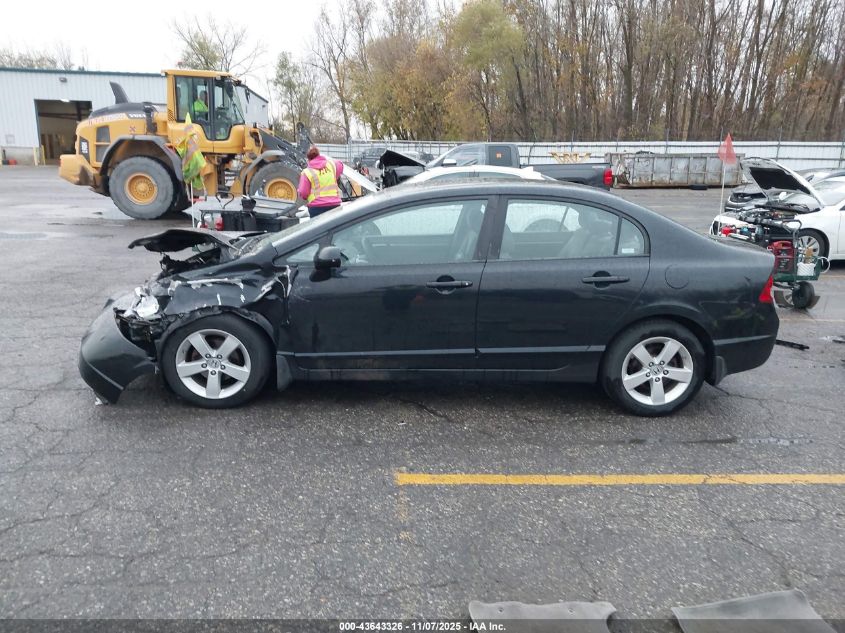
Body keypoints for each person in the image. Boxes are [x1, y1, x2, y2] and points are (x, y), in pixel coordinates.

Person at [297, 146, 344, 217]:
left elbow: (304, 193)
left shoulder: (307, 172)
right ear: (319, 155)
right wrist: (335, 176)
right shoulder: (331, 165)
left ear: (308, 159)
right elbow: (340, 164)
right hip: (334, 205)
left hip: (317, 208)